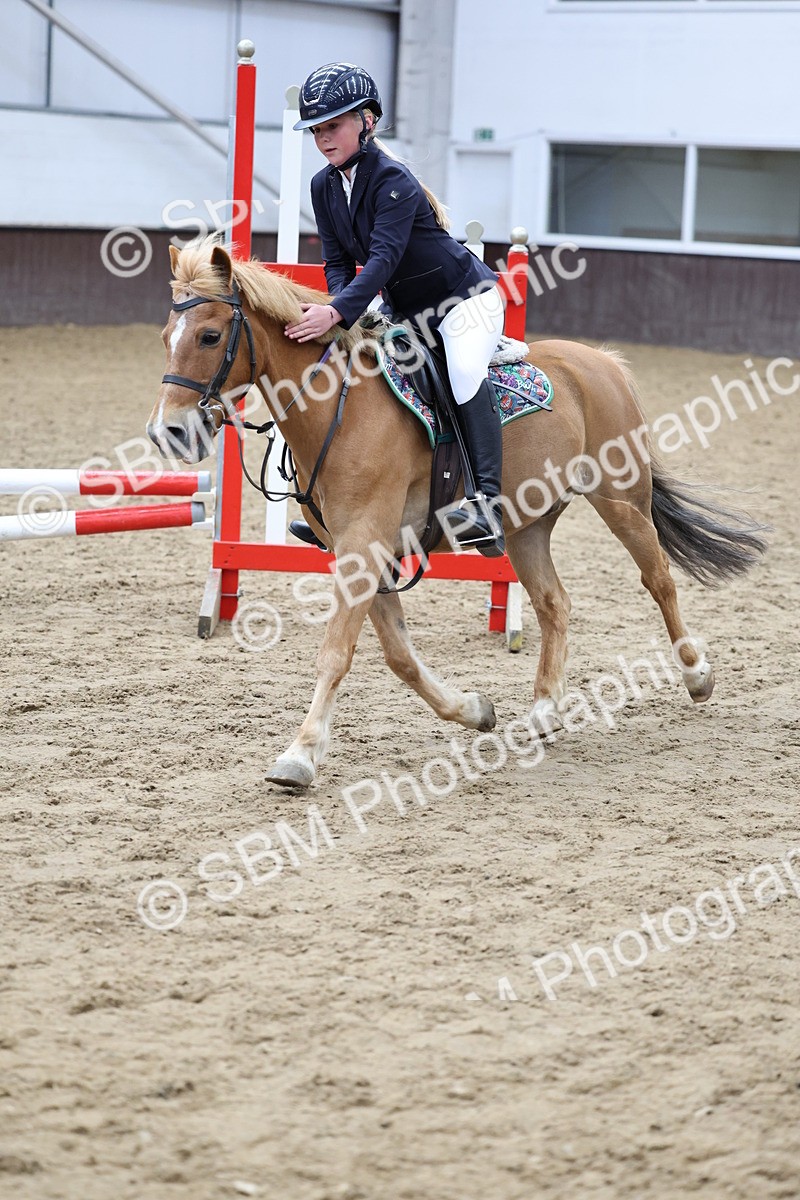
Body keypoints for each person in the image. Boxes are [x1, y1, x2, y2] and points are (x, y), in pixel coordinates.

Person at [284, 62, 506, 557]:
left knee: (466, 369)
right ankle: (337, 510)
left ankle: (488, 503)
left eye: (333, 126)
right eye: (316, 130)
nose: (323, 138)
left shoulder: (395, 180)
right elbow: (337, 260)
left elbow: (382, 259)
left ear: (367, 121)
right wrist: (343, 310)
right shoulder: (324, 186)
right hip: (404, 311)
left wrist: (338, 312)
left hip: (464, 301)